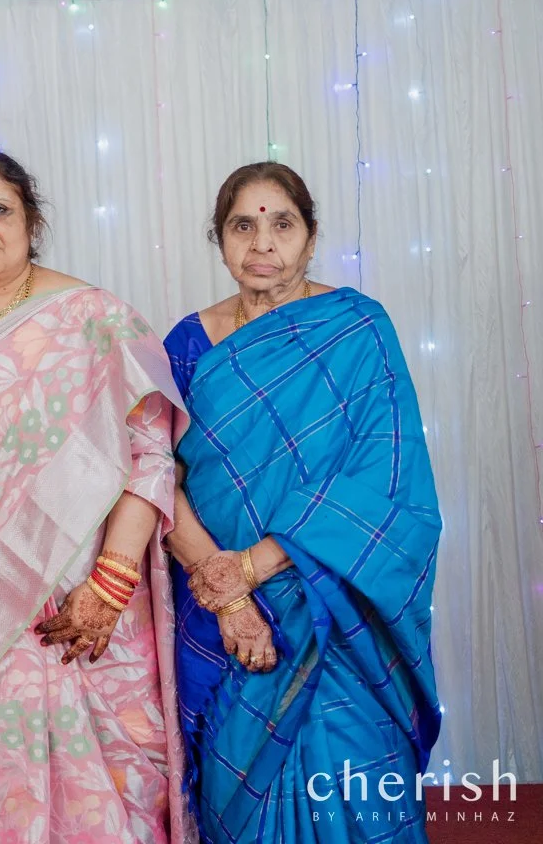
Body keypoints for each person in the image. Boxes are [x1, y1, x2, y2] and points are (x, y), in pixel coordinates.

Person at [0, 149, 186, 843]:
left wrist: (112, 580)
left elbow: (150, 454)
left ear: (32, 221)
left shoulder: (94, 317)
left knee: (102, 784)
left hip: (82, 595)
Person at [161, 162, 441, 841]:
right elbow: (154, 476)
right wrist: (228, 594)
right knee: (236, 787)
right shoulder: (186, 345)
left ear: (311, 238)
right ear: (220, 240)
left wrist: (253, 567)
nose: (262, 243)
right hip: (225, 612)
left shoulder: (357, 329)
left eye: (282, 225)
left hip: (334, 604)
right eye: (242, 227)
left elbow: (385, 478)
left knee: (351, 775)